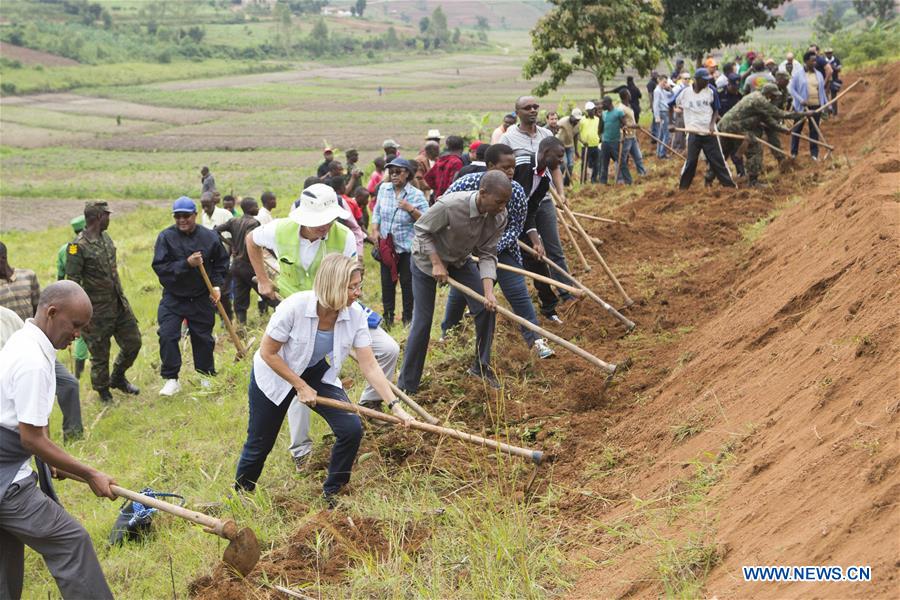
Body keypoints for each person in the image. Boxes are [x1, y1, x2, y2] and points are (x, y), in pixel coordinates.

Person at [233, 255, 409, 505]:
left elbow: (369, 365)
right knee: (260, 442)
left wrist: (396, 407)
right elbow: (267, 353)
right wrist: (300, 386)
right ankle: (241, 495)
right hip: (274, 373)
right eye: (353, 287)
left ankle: (333, 492)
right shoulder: (294, 307)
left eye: (359, 285)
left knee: (351, 429)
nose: (358, 293)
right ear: (333, 286)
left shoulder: (355, 314)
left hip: (315, 371)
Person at [247, 184, 400, 469]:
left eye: (330, 220)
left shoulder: (341, 236)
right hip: (296, 315)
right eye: (320, 222)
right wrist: (263, 280)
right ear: (304, 218)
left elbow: (349, 279)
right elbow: (250, 240)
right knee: (298, 375)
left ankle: (371, 403)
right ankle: (301, 450)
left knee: (387, 348)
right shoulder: (280, 230)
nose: (326, 227)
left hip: (338, 309)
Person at [0, 281, 117, 600]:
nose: (77, 334)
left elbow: (30, 416)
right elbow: (31, 438)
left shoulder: (24, 339)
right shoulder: (33, 361)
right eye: (75, 325)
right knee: (71, 543)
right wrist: (90, 473)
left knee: (5, 569)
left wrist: (53, 459)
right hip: (7, 481)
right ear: (52, 312)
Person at [398, 171, 510, 392]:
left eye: (506, 202)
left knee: (487, 310)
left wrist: (488, 292)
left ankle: (480, 367)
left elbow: (488, 254)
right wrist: (437, 263)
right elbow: (421, 230)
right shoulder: (450, 205)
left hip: (459, 260)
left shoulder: (499, 215)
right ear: (483, 193)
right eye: (498, 201)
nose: (502, 207)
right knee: (423, 322)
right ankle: (407, 386)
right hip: (426, 261)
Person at [440, 143, 555, 359]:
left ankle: (536, 340)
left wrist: (489, 249)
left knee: (518, 291)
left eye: (512, 167)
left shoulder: (517, 192)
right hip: (465, 250)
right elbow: (443, 209)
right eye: (505, 167)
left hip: (502, 249)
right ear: (490, 166)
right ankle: (448, 334)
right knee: (460, 293)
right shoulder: (467, 183)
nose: (511, 172)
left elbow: (515, 229)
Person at [502, 95, 574, 322]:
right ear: (517, 112)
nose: (532, 110)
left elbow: (553, 168)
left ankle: (565, 293)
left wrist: (561, 193)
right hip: (513, 205)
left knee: (553, 249)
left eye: (535, 107)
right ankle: (535, 300)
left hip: (540, 200)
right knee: (525, 255)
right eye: (527, 107)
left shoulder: (547, 135)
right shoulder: (508, 138)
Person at [0, 242, 83, 442]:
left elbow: (43, 307)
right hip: (12, 353)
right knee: (29, 406)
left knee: (69, 384)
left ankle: (73, 436)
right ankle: (40, 445)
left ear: (3, 257)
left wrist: (62, 332)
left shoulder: (27, 276)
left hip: (38, 344)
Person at [65, 202, 141, 403]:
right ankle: (103, 391)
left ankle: (117, 377)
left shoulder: (106, 237)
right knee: (100, 355)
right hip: (95, 312)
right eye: (107, 215)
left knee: (134, 342)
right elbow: (72, 283)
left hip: (118, 304)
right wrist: (78, 317)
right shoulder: (76, 246)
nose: (109, 218)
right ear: (98, 217)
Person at [152, 197, 229, 396]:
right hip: (174, 297)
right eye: (178, 216)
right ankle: (171, 379)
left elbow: (221, 262)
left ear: (195, 215)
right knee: (167, 335)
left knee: (203, 338)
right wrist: (186, 264)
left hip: (201, 297)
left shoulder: (210, 237)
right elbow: (160, 267)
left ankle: (205, 377)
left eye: (186, 216)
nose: (182, 220)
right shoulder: (166, 237)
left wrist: (217, 286)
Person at [714, 84, 810, 187]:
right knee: (755, 149)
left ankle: (709, 178)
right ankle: (753, 181)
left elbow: (768, 120)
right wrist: (804, 114)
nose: (775, 97)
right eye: (774, 95)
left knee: (723, 152)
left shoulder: (756, 96)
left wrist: (783, 129)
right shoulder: (760, 100)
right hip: (735, 126)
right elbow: (780, 113)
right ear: (768, 94)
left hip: (725, 125)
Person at [373, 158, 429, 330]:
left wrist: (410, 209)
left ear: (408, 174)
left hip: (406, 249)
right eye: (391, 172)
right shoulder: (384, 189)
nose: (394, 175)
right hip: (387, 248)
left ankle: (407, 319)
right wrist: (375, 229)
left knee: (407, 284)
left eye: (398, 172)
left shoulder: (416, 195)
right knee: (387, 284)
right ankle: (388, 319)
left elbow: (427, 221)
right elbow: (377, 211)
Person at [675, 68, 735, 190]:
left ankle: (729, 186)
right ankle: (683, 188)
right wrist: (671, 123)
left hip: (709, 133)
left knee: (718, 160)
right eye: (704, 80)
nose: (707, 82)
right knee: (691, 161)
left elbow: (716, 109)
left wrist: (712, 124)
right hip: (693, 133)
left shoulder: (711, 90)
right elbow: (671, 104)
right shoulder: (685, 92)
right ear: (696, 80)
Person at [215, 198, 270, 325]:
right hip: (248, 264)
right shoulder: (254, 223)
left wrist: (232, 244)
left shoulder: (234, 220)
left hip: (236, 266)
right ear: (250, 208)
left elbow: (216, 230)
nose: (257, 208)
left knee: (240, 298)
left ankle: (241, 326)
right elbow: (253, 241)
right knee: (267, 292)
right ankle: (281, 315)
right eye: (256, 206)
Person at [56, 215, 90, 379]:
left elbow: (60, 275)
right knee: (84, 334)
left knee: (81, 332)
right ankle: (79, 374)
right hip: (88, 296)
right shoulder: (87, 247)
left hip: (71, 296)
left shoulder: (64, 249)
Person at [788, 50, 826, 160]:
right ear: (806, 61)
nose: (815, 63)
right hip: (802, 107)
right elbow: (792, 89)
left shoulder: (818, 74)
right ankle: (793, 153)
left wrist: (825, 104)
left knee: (814, 129)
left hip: (816, 105)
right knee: (797, 129)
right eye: (812, 61)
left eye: (815, 61)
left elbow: (822, 91)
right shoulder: (798, 74)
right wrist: (800, 100)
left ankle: (814, 153)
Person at [597, 96, 630, 185]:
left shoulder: (618, 112)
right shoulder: (604, 114)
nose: (602, 106)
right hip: (605, 142)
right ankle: (603, 182)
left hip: (615, 142)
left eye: (604, 103)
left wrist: (624, 132)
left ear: (609, 103)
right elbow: (600, 128)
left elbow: (624, 124)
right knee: (604, 163)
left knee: (621, 162)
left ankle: (628, 181)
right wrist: (601, 137)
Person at [424, 135, 465, 201]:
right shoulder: (457, 162)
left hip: (438, 197)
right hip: (449, 199)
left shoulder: (441, 159)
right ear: (462, 147)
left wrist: (437, 189)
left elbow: (428, 177)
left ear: (447, 147)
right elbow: (454, 183)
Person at [617, 90, 646, 178]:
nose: (630, 95)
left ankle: (642, 174)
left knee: (638, 157)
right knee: (623, 158)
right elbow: (621, 123)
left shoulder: (628, 106)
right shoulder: (621, 109)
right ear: (626, 96)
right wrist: (633, 126)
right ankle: (620, 178)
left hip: (632, 136)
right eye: (629, 94)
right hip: (626, 137)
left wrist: (635, 133)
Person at [556, 107, 582, 185]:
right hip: (561, 146)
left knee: (570, 165)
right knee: (564, 164)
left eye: (578, 119)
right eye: (576, 119)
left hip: (570, 146)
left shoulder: (578, 124)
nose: (577, 121)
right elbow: (555, 128)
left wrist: (576, 150)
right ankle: (558, 182)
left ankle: (566, 183)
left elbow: (576, 136)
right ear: (571, 116)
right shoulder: (563, 121)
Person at [579, 101, 601, 182]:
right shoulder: (582, 120)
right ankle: (582, 180)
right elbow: (578, 134)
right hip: (586, 146)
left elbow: (599, 130)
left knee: (596, 164)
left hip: (595, 145)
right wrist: (582, 141)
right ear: (587, 111)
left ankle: (594, 179)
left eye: (593, 110)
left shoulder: (597, 119)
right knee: (584, 164)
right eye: (590, 110)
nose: (592, 111)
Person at [653, 76, 673, 158]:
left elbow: (671, 95)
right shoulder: (657, 91)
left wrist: (669, 88)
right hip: (662, 113)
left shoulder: (662, 90)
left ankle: (659, 153)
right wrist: (656, 116)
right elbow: (655, 104)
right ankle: (662, 154)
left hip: (664, 112)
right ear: (659, 80)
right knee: (666, 134)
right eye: (664, 82)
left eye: (666, 82)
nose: (665, 84)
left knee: (661, 134)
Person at [823, 48, 842, 115]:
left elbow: (839, 69)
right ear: (825, 54)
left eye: (830, 53)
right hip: (826, 81)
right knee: (825, 97)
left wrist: (832, 67)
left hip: (834, 80)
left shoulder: (836, 60)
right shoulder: (823, 61)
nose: (828, 54)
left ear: (832, 53)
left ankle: (835, 113)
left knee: (834, 97)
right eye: (827, 53)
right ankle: (827, 112)